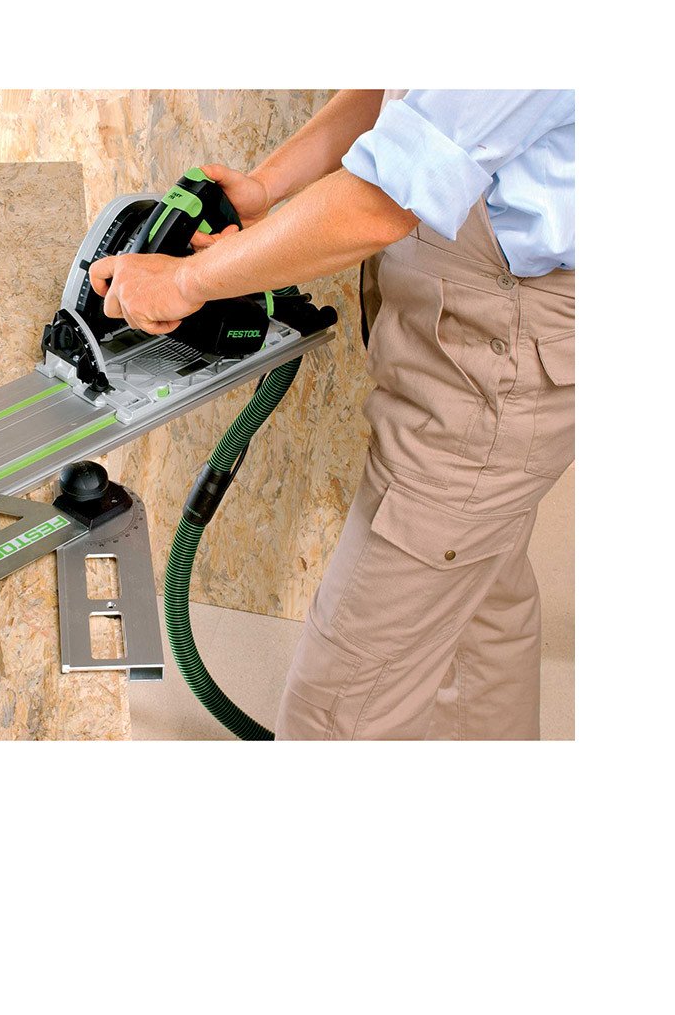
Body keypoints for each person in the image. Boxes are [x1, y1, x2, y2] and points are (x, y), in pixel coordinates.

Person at [89, 89, 575, 740]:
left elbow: (377, 205)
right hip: (471, 326)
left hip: (496, 353)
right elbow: (401, 95)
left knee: (338, 710)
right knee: (476, 618)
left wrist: (181, 283)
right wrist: (268, 186)